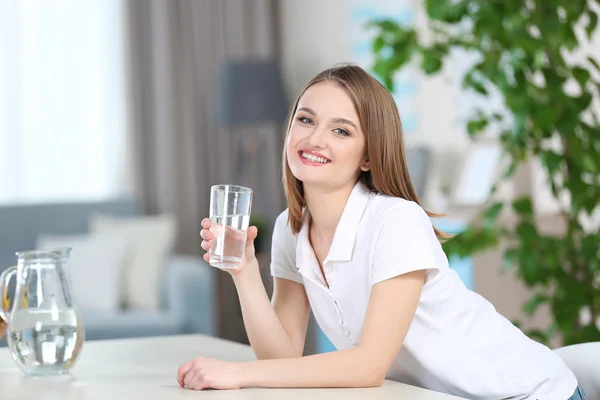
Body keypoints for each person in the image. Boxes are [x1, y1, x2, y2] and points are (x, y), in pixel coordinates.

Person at [176, 64, 585, 400]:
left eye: (341, 130)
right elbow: (281, 354)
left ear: (369, 156)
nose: (314, 138)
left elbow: (368, 366)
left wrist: (238, 374)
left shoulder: (395, 221)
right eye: (305, 119)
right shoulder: (289, 229)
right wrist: (245, 273)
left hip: (529, 394)